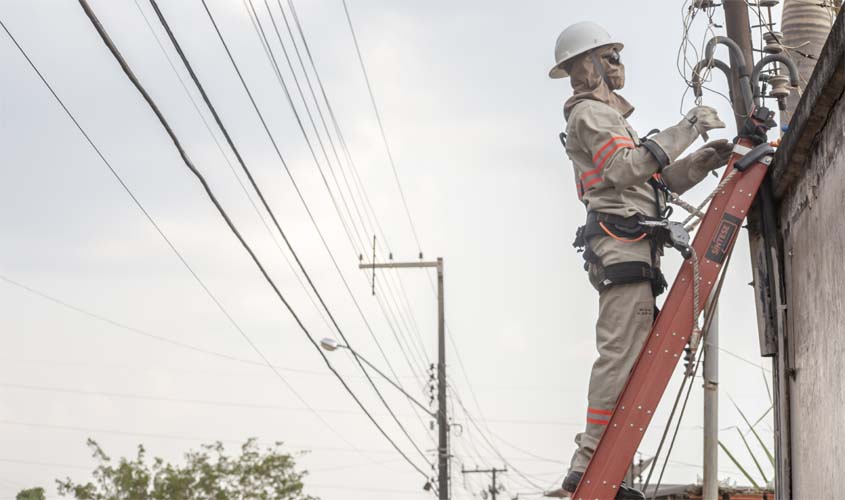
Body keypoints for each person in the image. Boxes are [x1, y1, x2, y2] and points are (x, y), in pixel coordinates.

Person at [548, 21, 734, 499]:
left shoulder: (611, 119)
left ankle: (609, 470)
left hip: (632, 245)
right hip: (621, 245)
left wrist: (703, 160)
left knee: (631, 358)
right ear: (587, 65)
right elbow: (625, 168)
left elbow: (655, 182)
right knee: (620, 356)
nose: (617, 65)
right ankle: (590, 465)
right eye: (609, 57)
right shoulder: (590, 114)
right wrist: (688, 127)